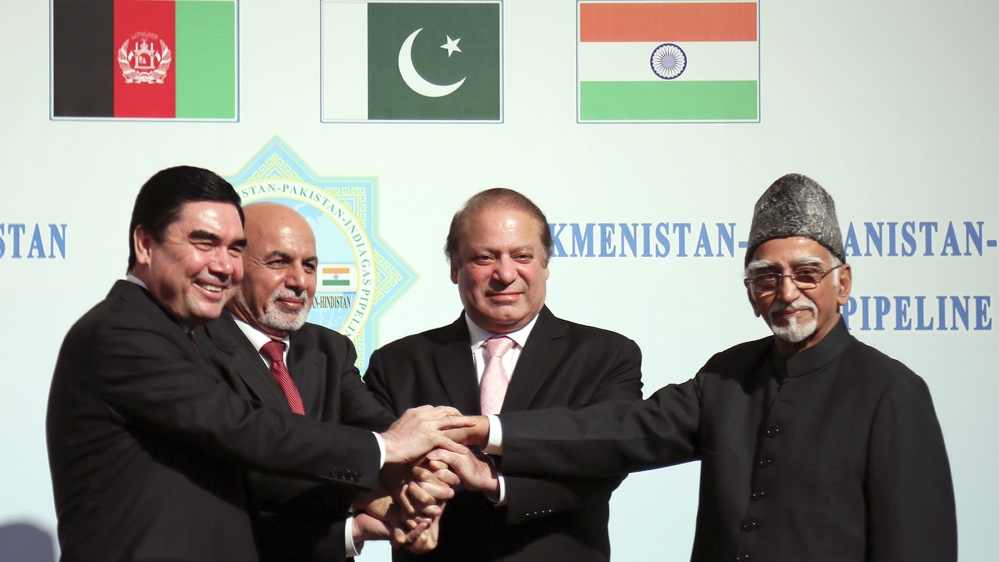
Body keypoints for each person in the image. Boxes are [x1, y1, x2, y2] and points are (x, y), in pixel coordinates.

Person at [447, 174, 958, 562]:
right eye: (766, 277)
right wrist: (492, 430)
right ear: (750, 293)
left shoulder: (891, 391)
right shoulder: (727, 376)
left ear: (842, 284)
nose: (786, 293)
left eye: (807, 274)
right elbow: (621, 428)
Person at [46, 166, 470, 562]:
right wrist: (387, 448)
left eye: (233, 249)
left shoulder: (174, 334)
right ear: (145, 243)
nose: (222, 265)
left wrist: (405, 483)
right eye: (204, 242)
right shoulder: (122, 333)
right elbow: (243, 429)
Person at [363, 188, 644, 562]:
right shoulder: (396, 363)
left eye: (522, 256)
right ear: (454, 269)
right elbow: (371, 465)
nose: (506, 273)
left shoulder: (606, 356)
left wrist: (496, 483)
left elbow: (608, 458)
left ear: (545, 265)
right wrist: (408, 494)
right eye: (484, 257)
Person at [196, 201, 440, 561]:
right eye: (279, 262)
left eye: (309, 265)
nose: (298, 281)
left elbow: (379, 430)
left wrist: (417, 485)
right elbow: (249, 470)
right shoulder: (196, 348)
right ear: (235, 267)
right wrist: (371, 496)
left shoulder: (329, 348)